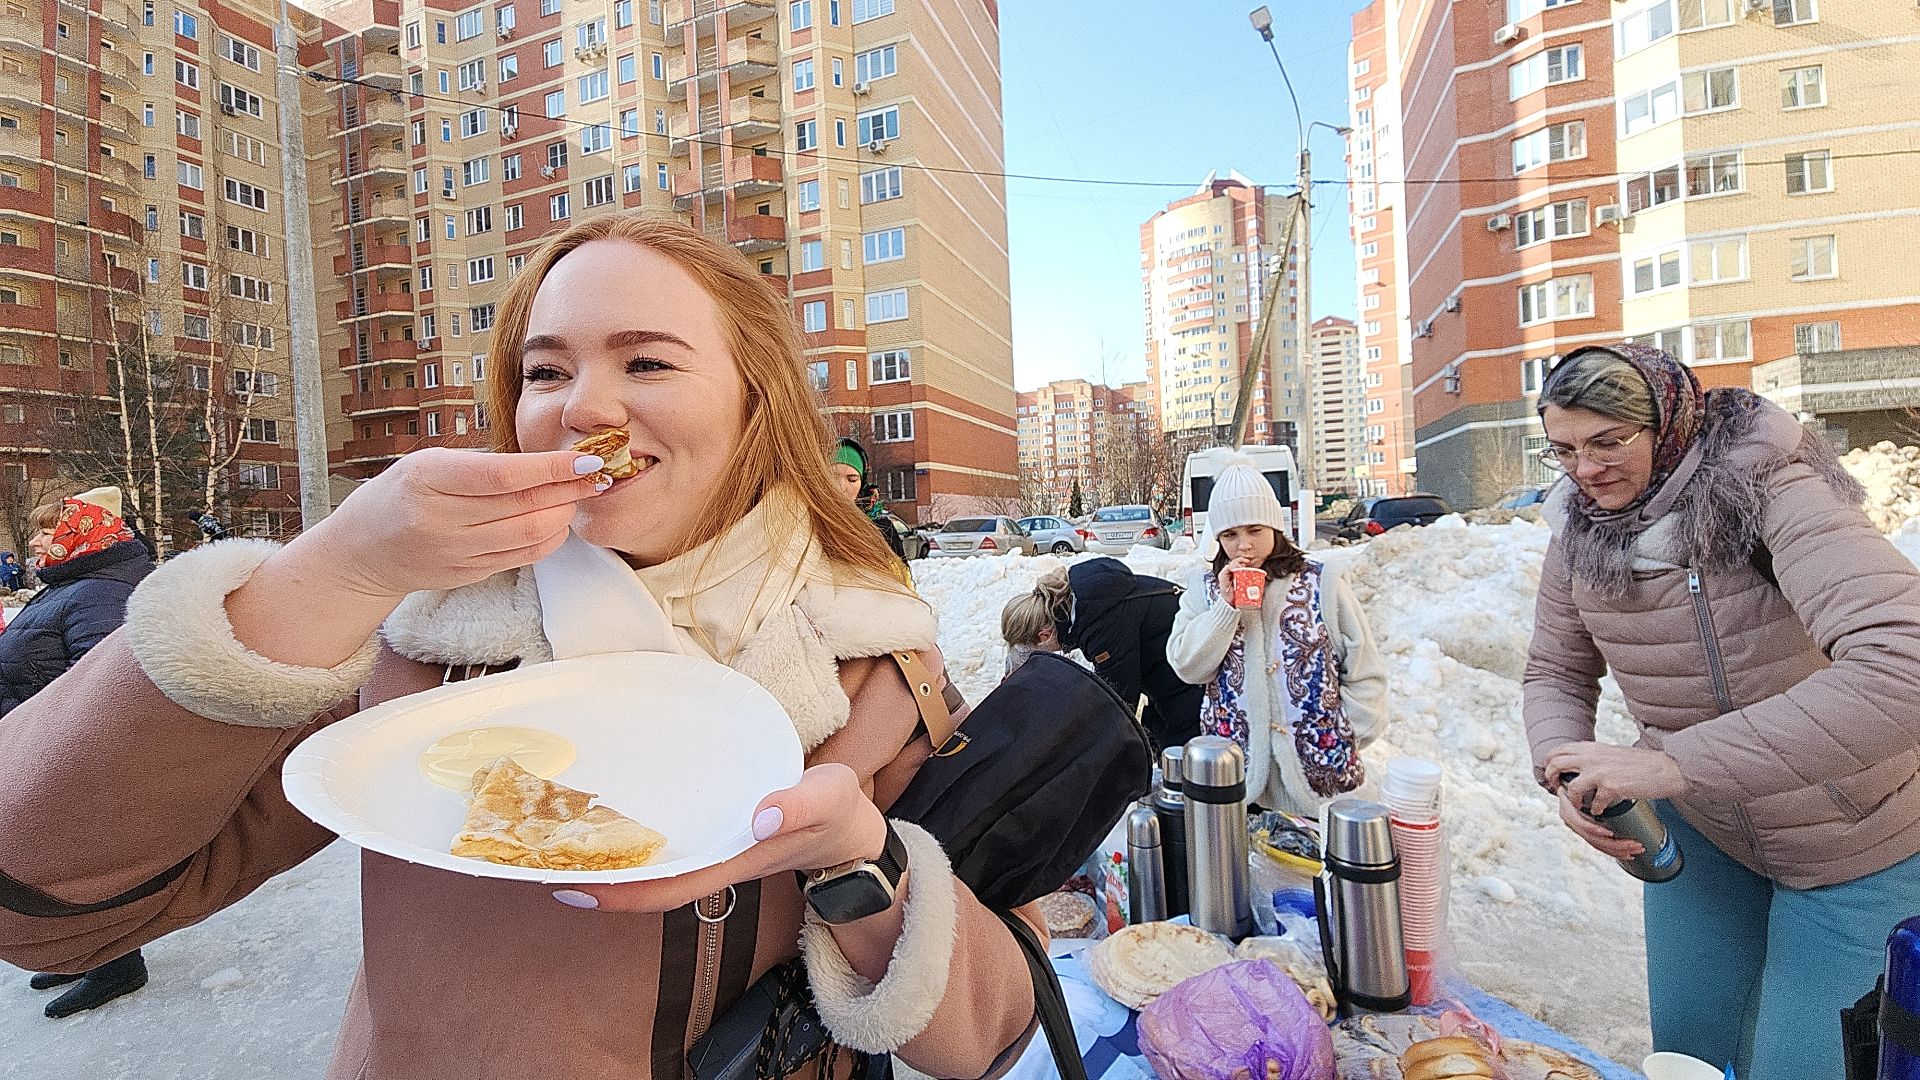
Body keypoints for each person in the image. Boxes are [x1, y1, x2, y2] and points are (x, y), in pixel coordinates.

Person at [0, 217, 1041, 1078]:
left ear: (753, 402)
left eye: (645, 360)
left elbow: (991, 1037)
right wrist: (331, 574)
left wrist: (855, 860)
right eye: (546, 371)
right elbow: (43, 911)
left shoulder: (873, 657)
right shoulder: (418, 646)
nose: (581, 407)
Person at [1522, 344, 1920, 1080]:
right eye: (1565, 450)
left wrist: (1675, 762)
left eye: (1609, 441)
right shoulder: (1577, 532)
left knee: (1797, 1066)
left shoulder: (1768, 489)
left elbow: (1904, 663)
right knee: (1687, 1059)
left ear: (1667, 422)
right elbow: (1554, 672)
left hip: (1854, 840)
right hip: (1705, 840)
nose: (1586, 470)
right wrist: (1563, 767)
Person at [0, 489, 156, 1017]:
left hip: (64, 753)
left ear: (78, 536)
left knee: (80, 864)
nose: (37, 541)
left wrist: (58, 746)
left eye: (48, 530)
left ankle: (115, 963)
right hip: (38, 740)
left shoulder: (96, 593)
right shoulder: (67, 585)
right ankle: (86, 954)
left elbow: (102, 683)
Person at [1165, 457, 1388, 816]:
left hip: (1323, 784)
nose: (1243, 547)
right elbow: (1188, 667)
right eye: (1230, 535)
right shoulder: (1203, 591)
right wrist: (1226, 608)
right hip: (1238, 784)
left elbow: (1365, 672)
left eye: (1255, 530)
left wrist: (1345, 734)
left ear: (1275, 527)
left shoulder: (1322, 582)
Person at [1000, 558, 1203, 752]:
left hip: (1188, 676)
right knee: (1158, 730)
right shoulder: (1084, 601)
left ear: (1044, 636)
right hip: (1167, 669)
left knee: (1180, 751)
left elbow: (1119, 701)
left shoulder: (1100, 623)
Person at [831, 436, 913, 585]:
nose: (841, 487)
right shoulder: (808, 524)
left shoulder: (881, 529)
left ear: (862, 482)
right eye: (832, 477)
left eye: (852, 479)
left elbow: (903, 584)